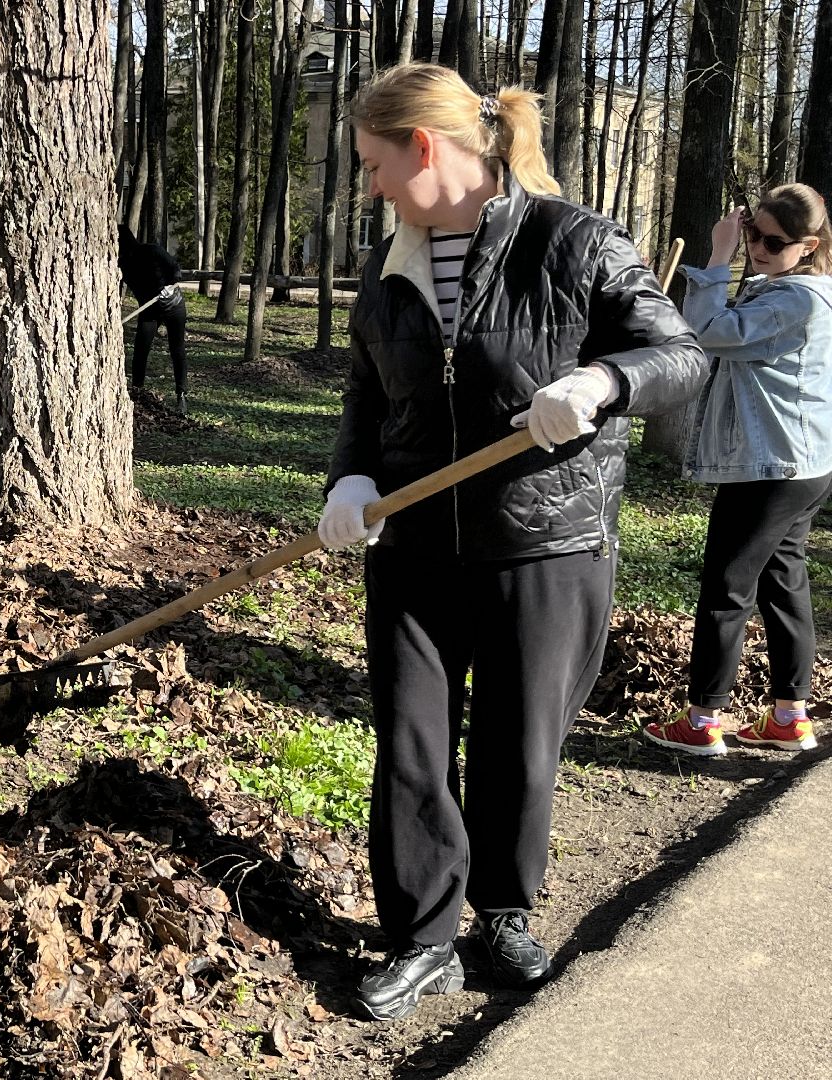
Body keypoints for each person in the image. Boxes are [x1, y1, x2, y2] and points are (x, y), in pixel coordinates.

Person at [317, 62, 705, 1021]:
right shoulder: (392, 262)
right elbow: (369, 393)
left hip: (548, 540)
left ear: (425, 147)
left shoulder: (573, 241)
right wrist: (351, 478)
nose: (368, 187)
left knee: (517, 741)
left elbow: (681, 356)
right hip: (412, 539)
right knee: (411, 743)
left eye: (374, 164)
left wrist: (603, 384)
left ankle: (502, 911)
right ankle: (422, 939)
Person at [643, 185, 832, 757]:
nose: (760, 248)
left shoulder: (794, 300)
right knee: (783, 582)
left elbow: (708, 333)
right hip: (804, 463)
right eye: (753, 234)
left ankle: (702, 722)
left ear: (810, 245)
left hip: (771, 466)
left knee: (726, 588)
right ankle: (789, 717)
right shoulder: (801, 291)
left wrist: (718, 257)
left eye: (774, 241)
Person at [117, 224, 189, 415]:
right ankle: (136, 392)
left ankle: (182, 396)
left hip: (173, 305)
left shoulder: (152, 251)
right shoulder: (122, 264)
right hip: (149, 311)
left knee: (177, 350)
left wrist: (171, 286)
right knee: (140, 350)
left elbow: (175, 269)